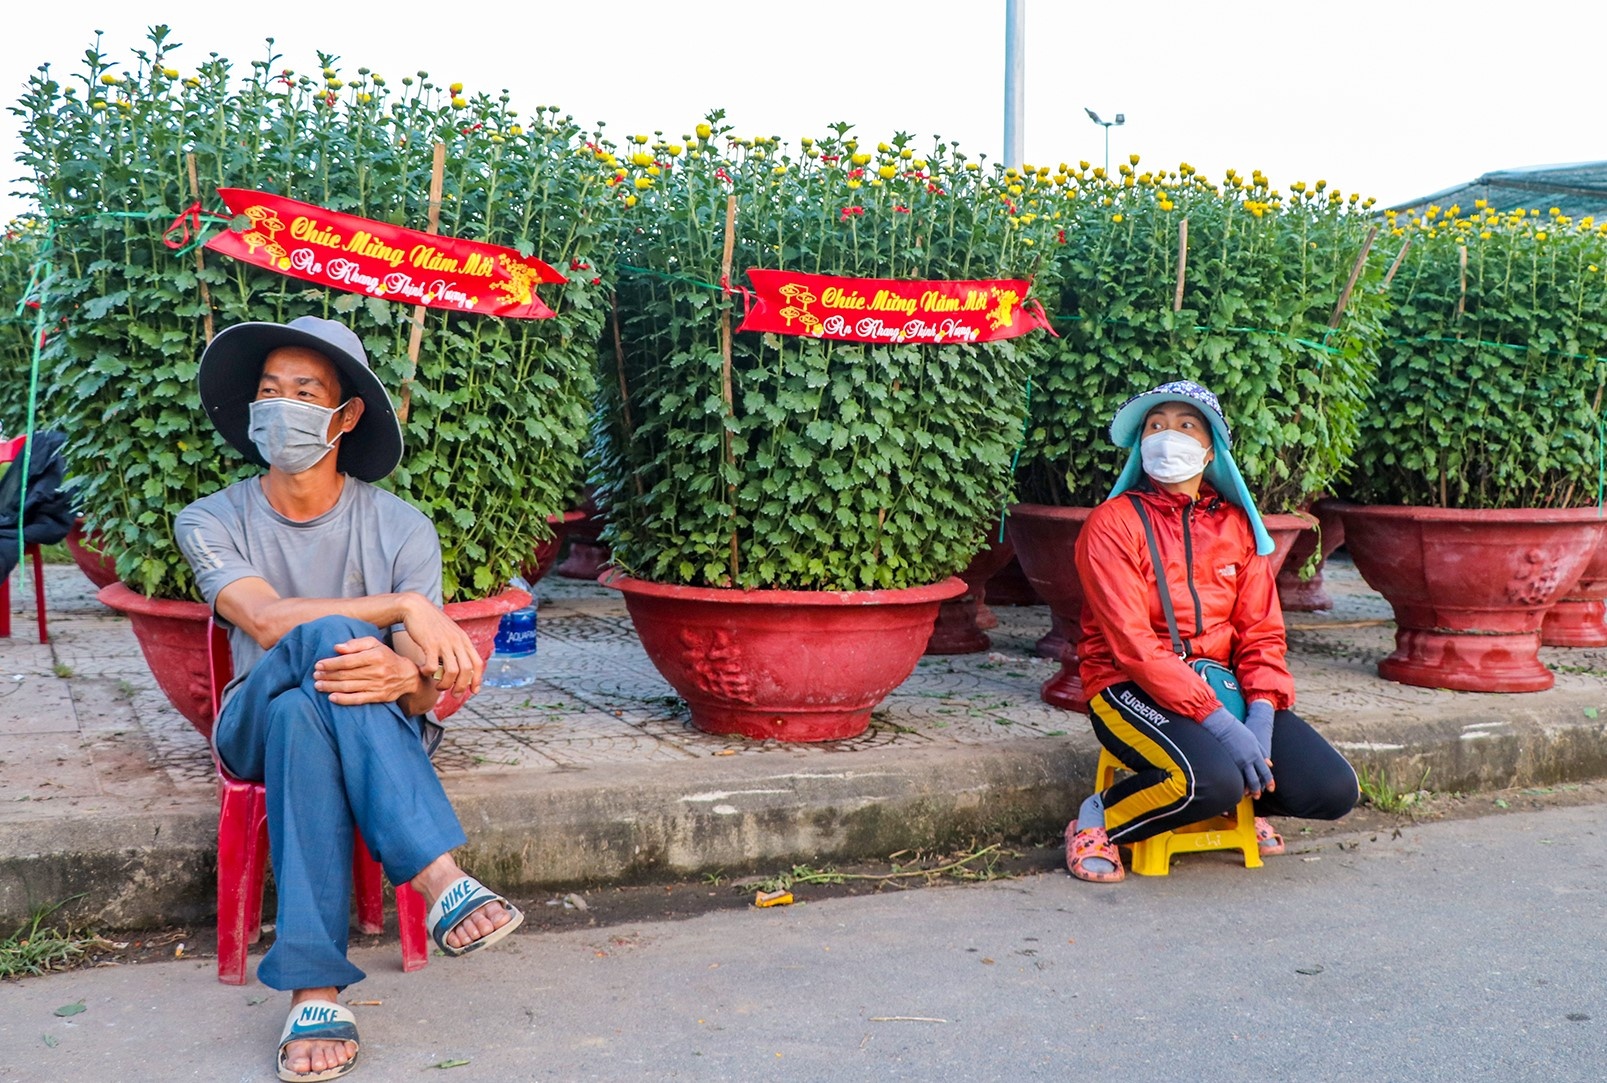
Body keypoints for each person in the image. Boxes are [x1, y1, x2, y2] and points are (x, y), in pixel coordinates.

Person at [175, 316, 524, 1082]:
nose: (282, 406)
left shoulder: (401, 527)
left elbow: (418, 684)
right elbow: (265, 621)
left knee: (313, 711)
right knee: (315, 649)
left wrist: (410, 675)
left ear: (346, 414)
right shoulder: (208, 518)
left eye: (305, 392)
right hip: (251, 721)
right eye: (269, 391)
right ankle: (435, 875)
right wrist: (401, 608)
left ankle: (313, 988)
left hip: (342, 721)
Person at [1065, 379, 1358, 883]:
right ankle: (1097, 820)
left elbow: (1262, 632)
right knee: (1208, 781)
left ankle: (1245, 802)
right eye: (1155, 426)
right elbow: (1132, 645)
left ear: (1209, 449)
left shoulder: (1236, 526)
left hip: (1220, 682)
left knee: (1332, 788)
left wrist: (1261, 714)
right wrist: (1224, 727)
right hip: (1125, 685)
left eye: (1185, 425)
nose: (1167, 436)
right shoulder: (1112, 524)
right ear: (1140, 446)